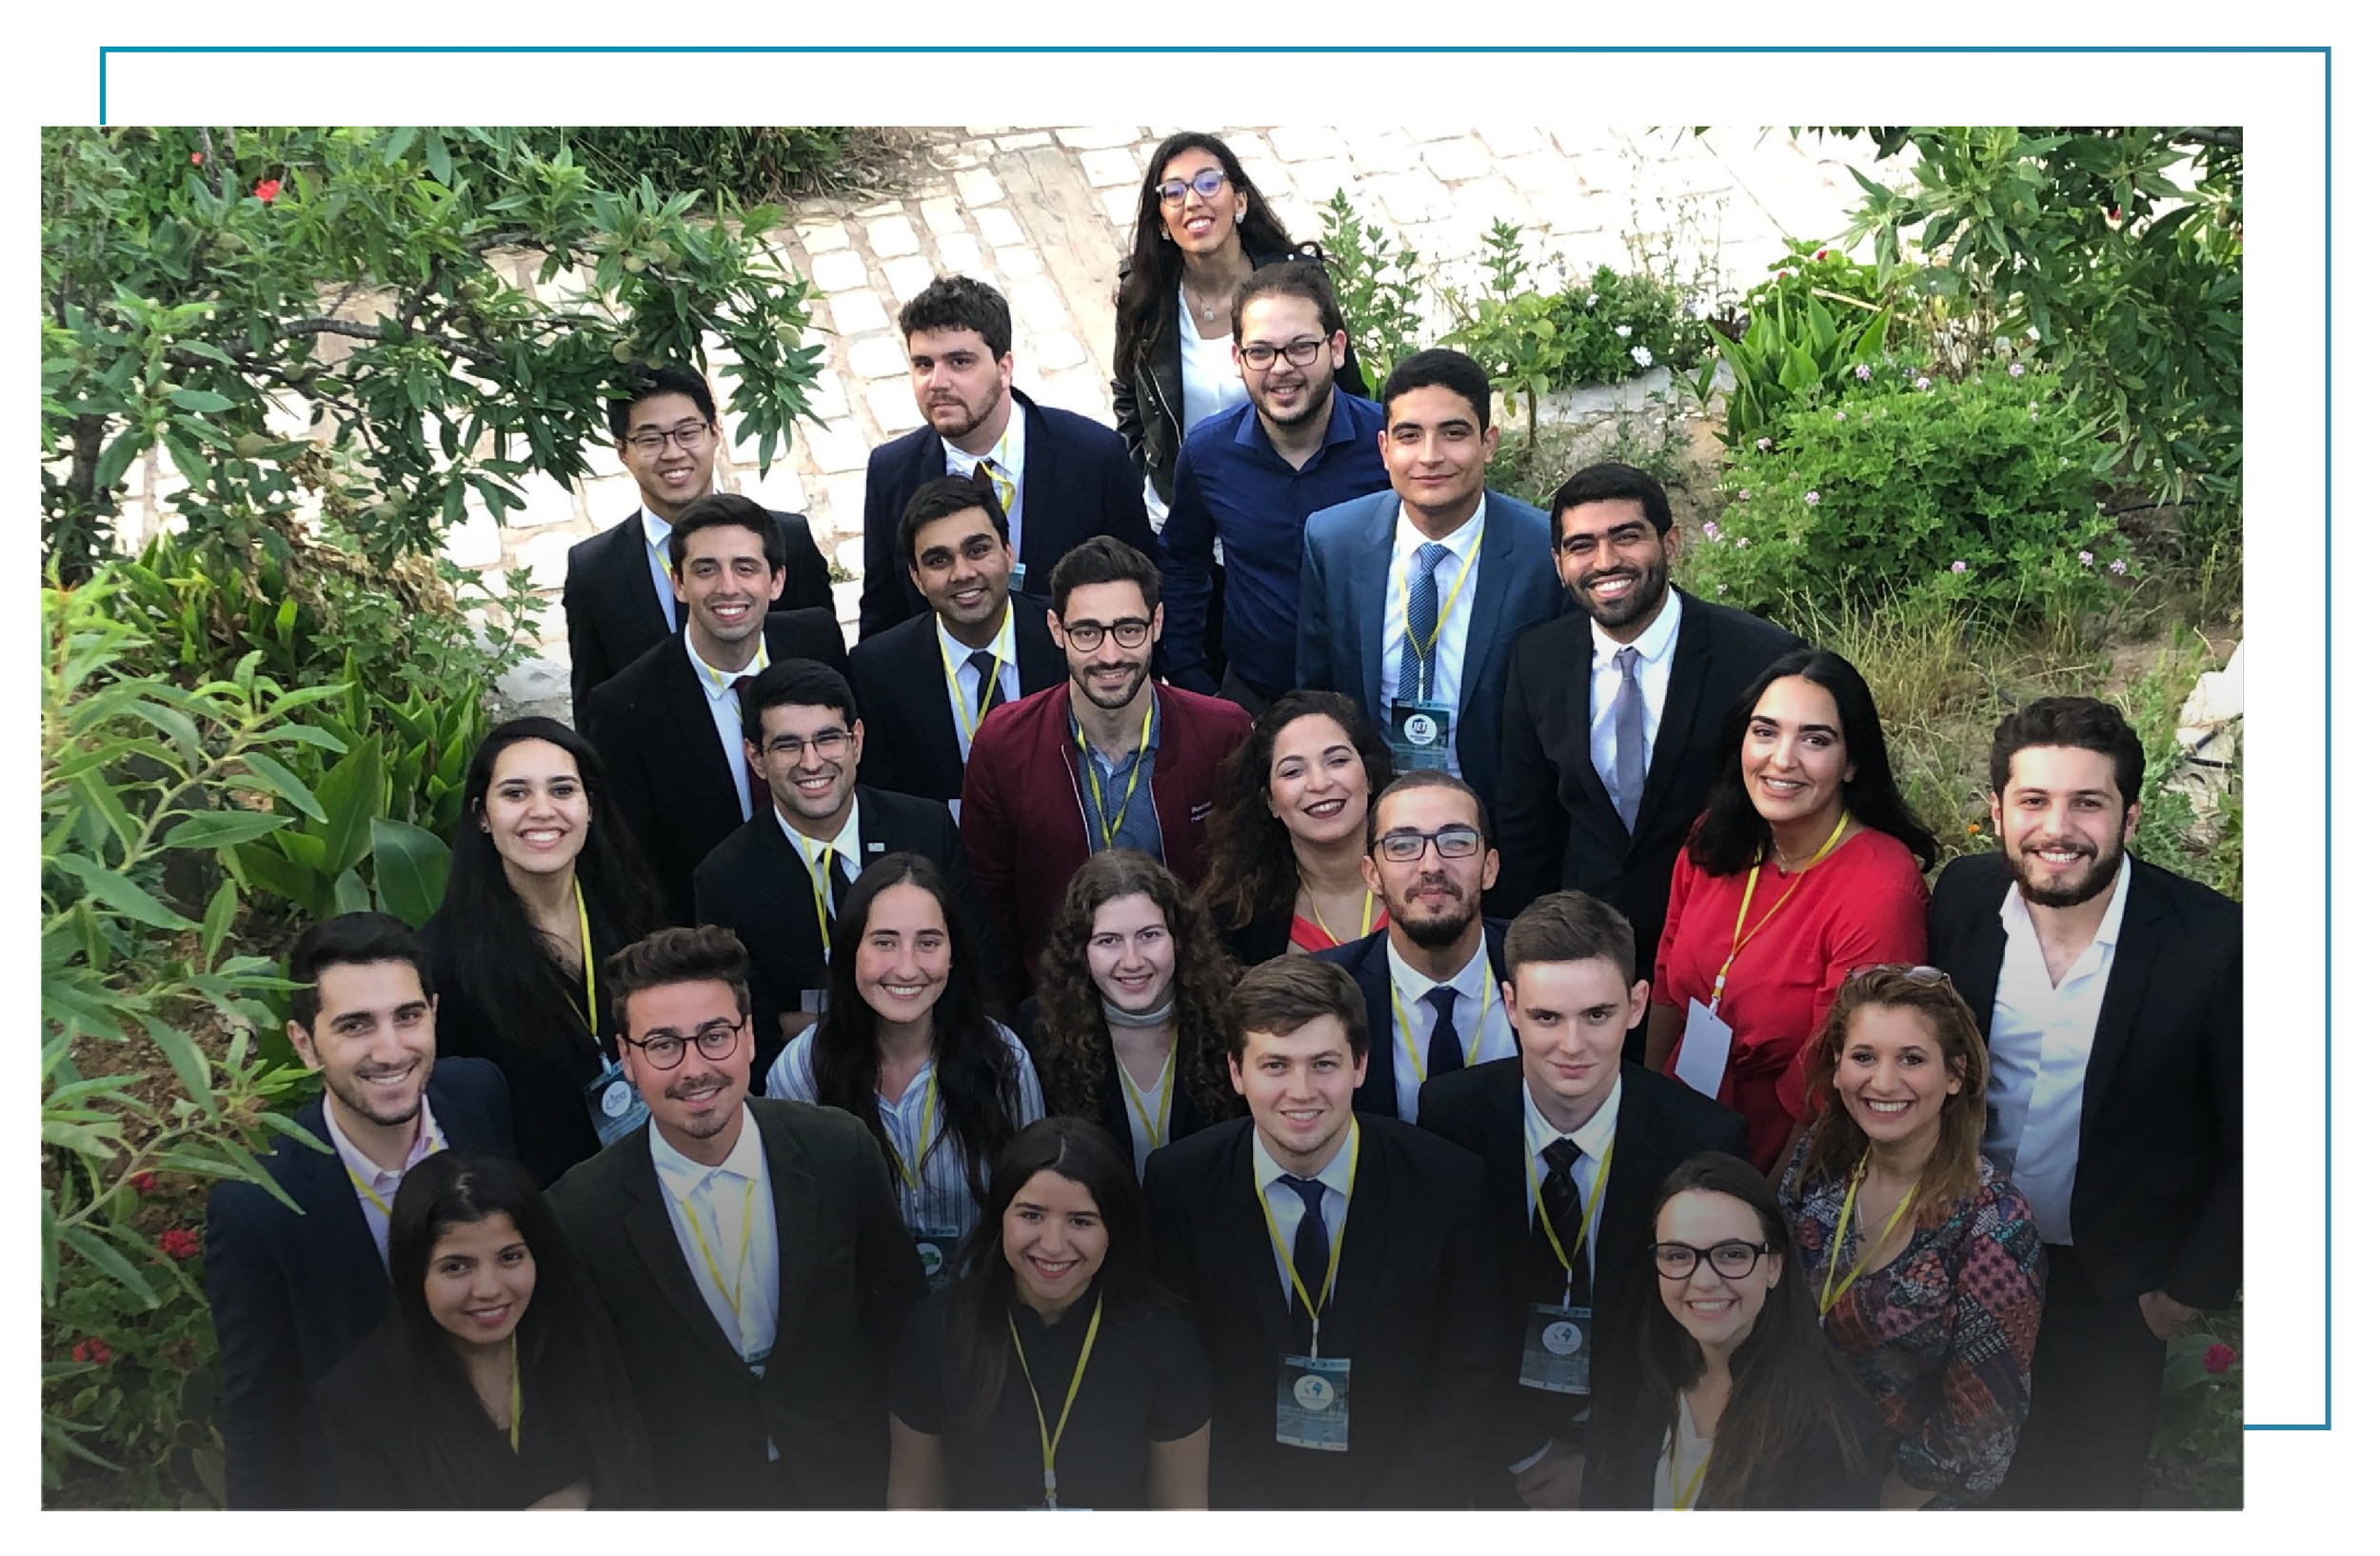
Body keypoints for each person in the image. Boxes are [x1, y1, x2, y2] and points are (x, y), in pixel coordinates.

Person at [1928, 696, 2241, 1510]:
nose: (2057, 829)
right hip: (1962, 1254)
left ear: (2129, 817)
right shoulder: (1961, 898)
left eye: (2087, 803)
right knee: (1953, 1478)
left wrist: (2183, 1291)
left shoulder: (2215, 944)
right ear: (1998, 810)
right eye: (2033, 800)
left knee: (2085, 1491)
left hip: (2112, 1283)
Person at [545, 925, 927, 1509]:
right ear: (626, 1058)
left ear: (749, 1037)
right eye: (663, 1045)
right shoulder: (580, 1211)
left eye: (715, 1036)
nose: (695, 1068)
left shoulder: (837, 1152)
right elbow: (598, 1401)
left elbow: (900, 1322)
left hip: (847, 1482)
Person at [1417, 890, 1751, 1509]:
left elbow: (1703, 1337)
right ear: (1510, 1006)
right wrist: (1524, 1452)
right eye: (1547, 1017)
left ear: (1637, 1005)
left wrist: (1602, 1467)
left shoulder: (1702, 1138)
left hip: (1638, 1446)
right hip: (1488, 1443)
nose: (1572, 1045)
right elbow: (1442, 1314)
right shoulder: (1450, 1114)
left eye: (1597, 1015)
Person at [1143, 955, 1501, 1510]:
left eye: (1323, 1064)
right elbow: (1181, 1369)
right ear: (1237, 1072)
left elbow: (1468, 1367)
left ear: (1360, 1065)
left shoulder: (1447, 1184)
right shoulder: (1179, 1186)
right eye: (1275, 1065)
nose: (1302, 1091)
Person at [205, 913, 514, 1510]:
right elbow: (261, 1411)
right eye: (355, 1025)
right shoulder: (259, 1205)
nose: (390, 1050)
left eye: (408, 1016)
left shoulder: (479, 1096)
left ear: (434, 1014)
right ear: (304, 1044)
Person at [1495, 462, 1803, 1008]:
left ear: (1671, 542)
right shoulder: (1536, 660)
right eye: (1582, 545)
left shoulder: (1760, 658)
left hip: (1722, 954)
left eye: (1626, 537)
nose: (1605, 561)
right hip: (1586, 961)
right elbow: (1526, 827)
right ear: (1559, 564)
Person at [1646, 648, 1935, 1172]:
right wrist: (1643, 1117)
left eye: (1815, 740)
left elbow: (1835, 1081)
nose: (1782, 759)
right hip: (1680, 1112)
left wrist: (1769, 1201)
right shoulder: (1715, 834)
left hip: (1780, 1151)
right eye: (1765, 732)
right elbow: (1668, 976)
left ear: (1852, 763)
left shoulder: (1879, 892)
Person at [1779, 966, 2045, 1509]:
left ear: (1955, 1074)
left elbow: (1980, 1419)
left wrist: (1881, 1505)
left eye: (1911, 1059)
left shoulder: (1994, 1224)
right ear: (1837, 1068)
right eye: (1864, 1057)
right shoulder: (1819, 1164)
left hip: (1896, 1493)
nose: (1882, 1082)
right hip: (1785, 1459)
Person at [960, 536, 1251, 998]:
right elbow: (988, 899)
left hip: (1198, 992)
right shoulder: (1004, 743)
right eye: (1087, 632)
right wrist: (1020, 1009)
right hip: (1061, 999)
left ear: (1157, 623)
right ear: (1056, 630)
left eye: (1128, 629)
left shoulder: (1222, 733)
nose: (1110, 655)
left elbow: (1246, 881)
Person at [1295, 348, 1564, 820]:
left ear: (1489, 442)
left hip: (1502, 813)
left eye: (1454, 433)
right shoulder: (1333, 541)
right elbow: (1318, 695)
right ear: (1384, 449)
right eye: (1409, 435)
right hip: (1374, 812)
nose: (1430, 456)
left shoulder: (1544, 550)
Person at [886, 1118, 1211, 1509]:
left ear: (1114, 1229)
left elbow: (1181, 1506)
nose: (1053, 1245)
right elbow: (914, 1502)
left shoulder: (1166, 1342)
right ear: (1000, 1218)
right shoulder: (934, 1332)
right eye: (1031, 1215)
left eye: (1081, 1221)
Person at [692, 659, 987, 1078]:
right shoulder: (725, 879)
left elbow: (977, 972)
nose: (812, 762)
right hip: (811, 1089)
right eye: (788, 745)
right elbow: (752, 1033)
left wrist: (810, 1026)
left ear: (857, 741)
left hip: (942, 1073)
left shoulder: (926, 830)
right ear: (756, 758)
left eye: (828, 738)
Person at [314, 1151, 654, 1509]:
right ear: (414, 1274)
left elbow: (638, 1488)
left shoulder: (577, 1333)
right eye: (457, 1266)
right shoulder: (358, 1401)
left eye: (510, 1257)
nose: (488, 1289)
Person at [765, 853, 1045, 1283]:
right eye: (884, 942)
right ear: (851, 952)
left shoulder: (1003, 1059)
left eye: (928, 943)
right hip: (856, 1309)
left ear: (953, 955)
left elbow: (1035, 1204)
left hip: (981, 1305)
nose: (907, 967)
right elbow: (793, 1223)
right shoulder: (800, 1070)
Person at [582, 492, 849, 924]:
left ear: (776, 581)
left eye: (745, 568)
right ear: (678, 583)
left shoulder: (817, 640)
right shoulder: (624, 708)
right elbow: (633, 863)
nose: (728, 587)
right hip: (712, 930)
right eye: (706, 569)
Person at [422, 718, 667, 1187]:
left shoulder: (633, 909)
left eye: (562, 790)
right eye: (515, 793)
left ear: (589, 807)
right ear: (482, 815)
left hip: (655, 1175)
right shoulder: (445, 961)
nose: (542, 810)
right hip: (538, 1202)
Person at [1580, 1152, 1884, 1510]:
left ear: (1774, 1266)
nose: (1704, 1280)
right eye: (1678, 1255)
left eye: (1732, 1254)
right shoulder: (1631, 1382)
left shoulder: (1836, 1432)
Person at [860, 275, 1148, 638]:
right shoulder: (891, 472)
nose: (937, 382)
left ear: (1004, 367)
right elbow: (884, 618)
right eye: (923, 365)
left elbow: (1141, 591)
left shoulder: (1093, 457)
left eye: (959, 362)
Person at [1111, 130, 1369, 535]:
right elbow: (1129, 395)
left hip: (1281, 514)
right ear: (1161, 221)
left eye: (1208, 182)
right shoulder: (1144, 297)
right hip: (1183, 517)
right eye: (1174, 192)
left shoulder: (1297, 283)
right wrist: (1140, 474)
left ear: (1240, 201)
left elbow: (1348, 389)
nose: (1193, 201)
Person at [1158, 261, 1391, 708]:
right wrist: (1190, 678)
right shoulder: (1209, 453)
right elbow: (1182, 563)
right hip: (1253, 697)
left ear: (1336, 349)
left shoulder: (1388, 446)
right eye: (1261, 351)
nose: (1281, 368)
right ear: (1237, 359)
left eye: (1301, 347)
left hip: (1370, 698)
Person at [563, 363, 832, 718]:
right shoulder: (593, 571)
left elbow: (826, 668)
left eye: (687, 433)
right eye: (650, 440)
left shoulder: (789, 539)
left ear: (715, 432)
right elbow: (593, 709)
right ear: (622, 450)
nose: (673, 452)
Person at [848, 474, 1066, 817]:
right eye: (938, 560)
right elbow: (885, 800)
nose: (962, 573)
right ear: (917, 579)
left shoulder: (1067, 634)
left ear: (1008, 554)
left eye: (977, 550)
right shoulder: (878, 670)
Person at [1315, 769, 1515, 1123]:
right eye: (1403, 846)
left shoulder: (1546, 968)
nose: (1431, 866)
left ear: (1490, 867)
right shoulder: (1325, 990)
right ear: (1372, 875)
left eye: (1456, 841)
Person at [1030, 850, 1242, 1175]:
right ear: (1080, 951)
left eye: (1149, 936)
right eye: (1108, 941)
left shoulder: (1234, 1012)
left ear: (1179, 938)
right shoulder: (1041, 1027)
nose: (1132, 961)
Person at [1201, 688, 1395, 966]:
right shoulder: (1237, 918)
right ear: (1270, 801)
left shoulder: (1425, 876)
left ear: (1369, 777)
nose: (1320, 784)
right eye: (1293, 771)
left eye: (1337, 761)